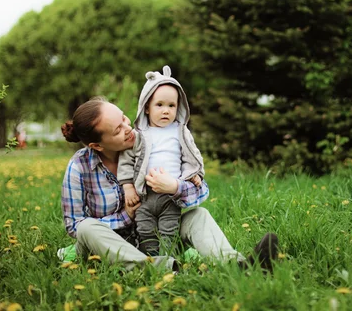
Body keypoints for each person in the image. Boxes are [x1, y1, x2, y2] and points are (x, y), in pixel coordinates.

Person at [60, 96, 279, 272]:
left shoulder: (151, 144)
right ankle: (155, 268)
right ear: (96, 145)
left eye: (125, 119)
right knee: (87, 228)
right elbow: (74, 225)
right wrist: (126, 216)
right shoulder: (80, 167)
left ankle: (240, 265)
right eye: (117, 130)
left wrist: (175, 187)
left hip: (159, 231)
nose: (128, 128)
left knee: (198, 215)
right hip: (112, 245)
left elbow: (200, 190)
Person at [118, 65, 203, 256]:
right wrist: (128, 187)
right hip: (144, 195)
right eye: (160, 105)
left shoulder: (179, 131)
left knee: (169, 229)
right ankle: (151, 259)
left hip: (170, 196)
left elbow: (190, 156)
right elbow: (126, 160)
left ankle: (168, 261)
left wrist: (193, 174)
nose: (166, 111)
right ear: (146, 107)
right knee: (145, 229)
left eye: (171, 106)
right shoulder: (140, 135)